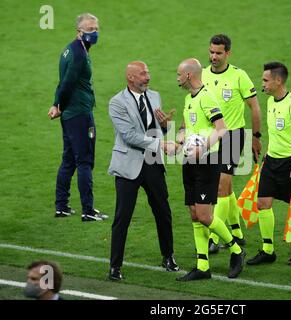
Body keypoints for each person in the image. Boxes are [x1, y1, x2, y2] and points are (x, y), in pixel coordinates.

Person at [175, 58, 245, 281]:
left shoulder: (207, 97)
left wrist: (203, 147)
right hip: (189, 162)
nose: (177, 77)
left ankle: (236, 249)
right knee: (195, 214)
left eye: (179, 74)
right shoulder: (188, 99)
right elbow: (187, 129)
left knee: (205, 215)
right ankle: (202, 266)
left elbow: (221, 129)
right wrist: (176, 142)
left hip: (206, 162)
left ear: (188, 75)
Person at [108, 61, 179, 281]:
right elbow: (129, 135)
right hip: (128, 166)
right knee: (123, 217)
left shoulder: (155, 96)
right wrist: (161, 145)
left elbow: (157, 130)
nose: (147, 77)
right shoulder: (117, 103)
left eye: (148, 72)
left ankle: (168, 256)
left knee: (163, 212)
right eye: (142, 74)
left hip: (153, 163)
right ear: (130, 77)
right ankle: (115, 266)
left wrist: (166, 125)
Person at [247, 62, 291, 266]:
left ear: (278, 81)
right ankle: (268, 250)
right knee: (262, 203)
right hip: (272, 161)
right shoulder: (271, 102)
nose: (263, 84)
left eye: (266, 80)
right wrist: (267, 154)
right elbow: (277, 134)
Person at [202, 34, 262, 253]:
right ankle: (236, 231)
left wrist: (256, 137)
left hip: (232, 137)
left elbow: (254, 108)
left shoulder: (239, 76)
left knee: (220, 187)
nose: (213, 57)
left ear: (228, 53)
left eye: (218, 53)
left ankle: (214, 239)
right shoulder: (203, 75)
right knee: (224, 189)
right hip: (210, 138)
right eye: (211, 52)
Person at [48, 13, 107, 222]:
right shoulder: (79, 55)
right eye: (90, 29)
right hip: (79, 114)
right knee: (84, 161)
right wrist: (60, 105)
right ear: (79, 32)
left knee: (68, 160)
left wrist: (56, 105)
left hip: (71, 114)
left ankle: (61, 206)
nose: (94, 32)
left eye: (96, 28)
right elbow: (66, 84)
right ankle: (88, 211)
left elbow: (62, 82)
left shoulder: (69, 49)